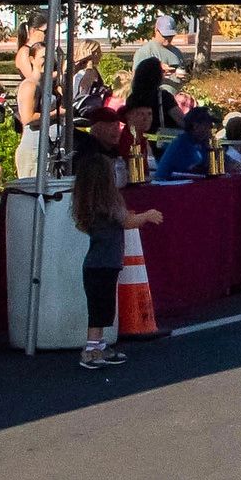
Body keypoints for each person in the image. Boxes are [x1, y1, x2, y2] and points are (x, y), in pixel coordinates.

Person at [72, 154, 162, 370]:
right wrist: (148, 215)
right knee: (100, 309)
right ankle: (91, 348)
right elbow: (128, 221)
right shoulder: (108, 204)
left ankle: (100, 344)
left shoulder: (90, 205)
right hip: (104, 263)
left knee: (102, 306)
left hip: (98, 263)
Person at [15, 41, 64, 180]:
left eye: (51, 58)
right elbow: (27, 118)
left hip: (50, 149)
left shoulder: (49, 85)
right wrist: (57, 113)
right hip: (34, 149)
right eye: (43, 57)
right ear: (32, 59)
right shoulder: (30, 85)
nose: (48, 61)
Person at [152, 107, 216, 181]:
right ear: (195, 125)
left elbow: (226, 164)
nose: (210, 129)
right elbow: (197, 169)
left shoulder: (201, 143)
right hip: (169, 187)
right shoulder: (182, 143)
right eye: (208, 125)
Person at [73, 105, 124, 173]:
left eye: (117, 125)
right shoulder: (87, 154)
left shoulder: (117, 151)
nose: (116, 130)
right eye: (110, 125)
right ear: (96, 129)